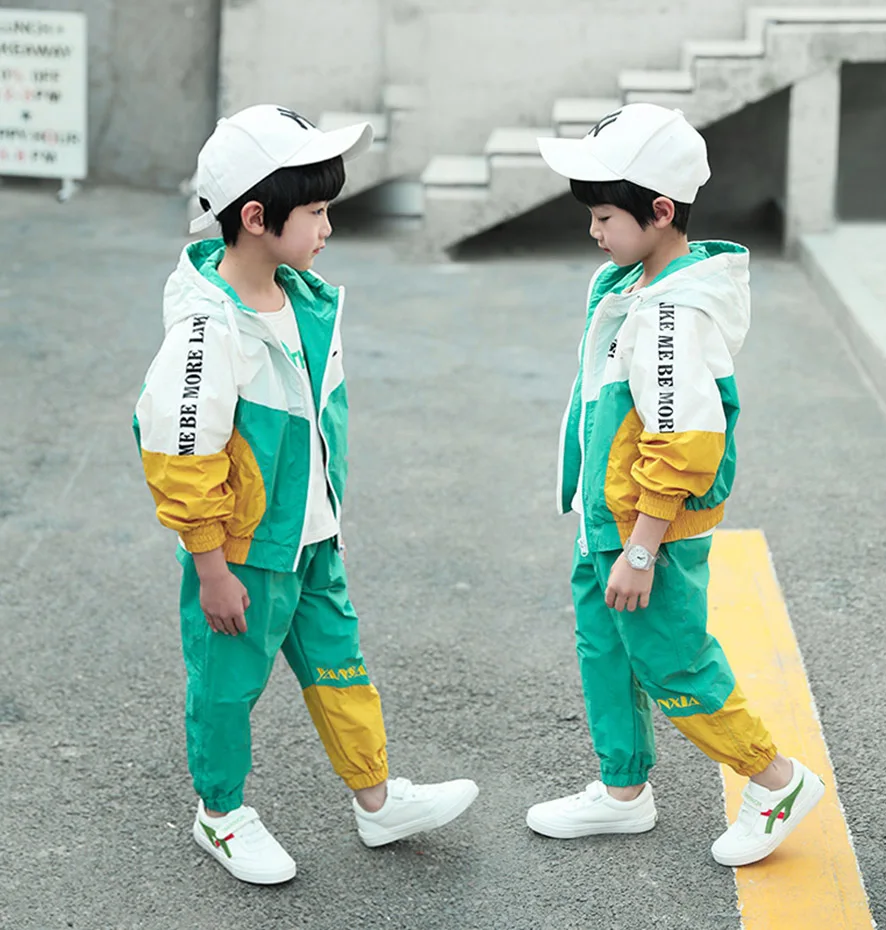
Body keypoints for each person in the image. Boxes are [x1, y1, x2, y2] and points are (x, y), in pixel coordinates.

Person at [134, 104, 478, 885]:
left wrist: (321, 518)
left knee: (340, 667)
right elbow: (180, 456)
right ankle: (220, 814)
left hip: (311, 536)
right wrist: (211, 566)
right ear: (256, 218)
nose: (328, 226)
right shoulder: (207, 331)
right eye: (316, 211)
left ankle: (376, 799)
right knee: (227, 688)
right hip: (245, 551)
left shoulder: (302, 298)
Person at [526, 103, 823, 867]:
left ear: (660, 212)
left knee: (671, 658)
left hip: (644, 530)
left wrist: (641, 549)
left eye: (604, 217)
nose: (594, 232)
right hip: (610, 519)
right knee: (606, 648)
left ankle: (776, 779)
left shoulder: (671, 316)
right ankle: (623, 790)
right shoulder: (635, 286)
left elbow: (685, 442)